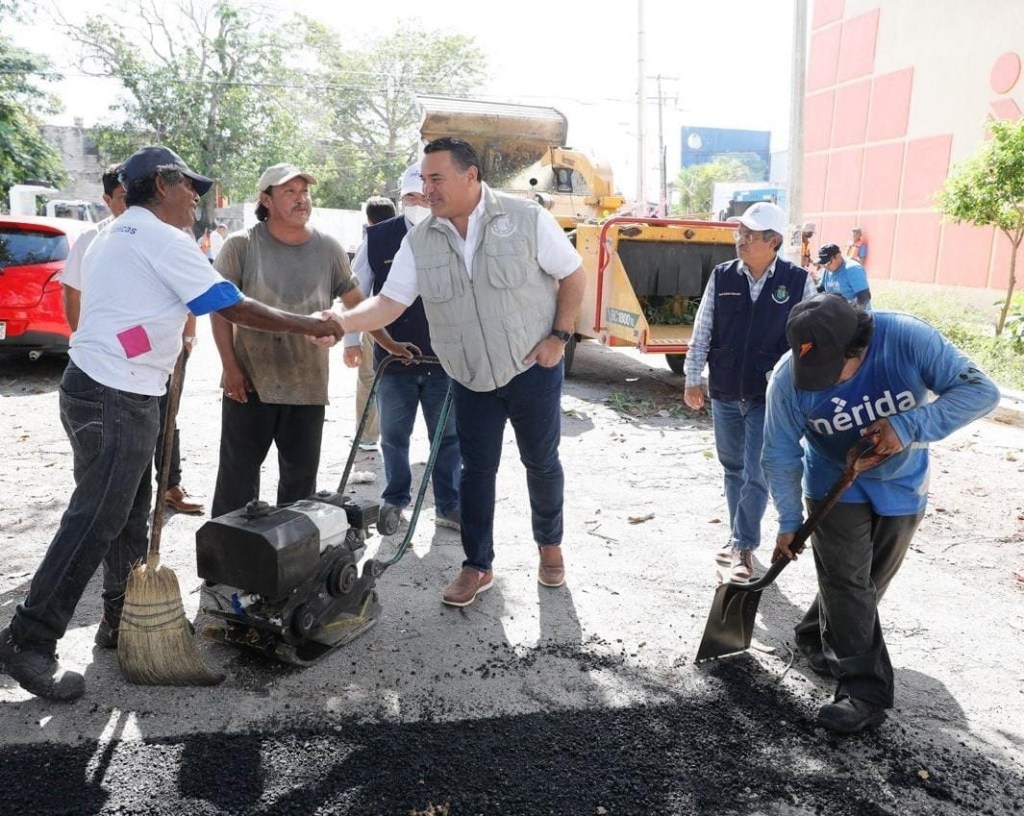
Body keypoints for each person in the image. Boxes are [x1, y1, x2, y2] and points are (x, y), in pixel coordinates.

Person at [0, 145, 344, 702]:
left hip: (103, 387)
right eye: (190, 187)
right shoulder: (161, 238)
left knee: (126, 516)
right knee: (95, 519)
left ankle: (122, 617)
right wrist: (310, 325)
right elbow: (232, 305)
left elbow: (126, 313)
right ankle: (28, 638)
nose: (196, 200)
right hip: (116, 394)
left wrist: (159, 346)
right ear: (161, 185)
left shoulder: (115, 233)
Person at [327, 137, 585, 607]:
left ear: (471, 176)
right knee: (476, 470)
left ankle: (550, 546)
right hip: (469, 375)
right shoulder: (420, 240)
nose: (427, 190)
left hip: (532, 368)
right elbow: (388, 302)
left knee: (541, 463)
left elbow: (572, 273)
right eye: (424, 180)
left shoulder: (525, 219)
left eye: (437, 179)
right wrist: (341, 322)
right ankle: (477, 565)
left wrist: (558, 337)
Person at [762, 293, 1000, 734]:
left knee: (867, 582)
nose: (822, 382)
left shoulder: (908, 339)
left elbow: (982, 392)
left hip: (902, 481)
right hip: (832, 481)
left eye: (833, 370)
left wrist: (908, 425)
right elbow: (779, 452)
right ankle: (864, 692)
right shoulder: (786, 380)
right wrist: (789, 520)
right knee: (847, 580)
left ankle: (816, 632)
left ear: (860, 345)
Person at [209, 164, 408, 522]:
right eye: (289, 192)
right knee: (236, 484)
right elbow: (221, 310)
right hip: (251, 384)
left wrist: (389, 344)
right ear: (266, 200)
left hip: (308, 386)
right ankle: (225, 554)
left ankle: (290, 553)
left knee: (299, 490)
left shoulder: (328, 248)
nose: (301, 199)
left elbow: (357, 304)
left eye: (304, 192)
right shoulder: (242, 245)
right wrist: (229, 367)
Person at [682, 202, 817, 582]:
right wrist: (693, 377)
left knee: (756, 471)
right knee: (733, 468)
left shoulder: (797, 281)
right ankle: (737, 536)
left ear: (773, 242)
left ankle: (743, 546)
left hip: (767, 395)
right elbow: (703, 329)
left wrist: (801, 387)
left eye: (749, 235)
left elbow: (811, 339)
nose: (740, 240)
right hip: (725, 389)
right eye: (739, 233)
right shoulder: (723, 276)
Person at [347, 162, 461, 533]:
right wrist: (351, 340)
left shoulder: (453, 232)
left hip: (444, 360)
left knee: (448, 438)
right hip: (394, 359)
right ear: (401, 199)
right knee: (394, 438)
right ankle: (395, 499)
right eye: (411, 197)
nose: (418, 203)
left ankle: (449, 504)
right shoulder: (379, 237)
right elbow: (358, 292)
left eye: (424, 197)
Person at [350, 195, 398, 452]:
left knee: (370, 377)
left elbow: (356, 291)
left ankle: (367, 436)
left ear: (368, 219)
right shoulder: (410, 235)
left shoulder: (372, 240)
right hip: (414, 321)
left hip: (378, 323)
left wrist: (351, 340)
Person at [62, 163, 127, 331]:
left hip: (145, 337)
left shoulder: (155, 236)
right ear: (107, 200)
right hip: (103, 336)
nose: (131, 204)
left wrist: (187, 338)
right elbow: (72, 292)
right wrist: (80, 337)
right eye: (123, 197)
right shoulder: (90, 238)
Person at [815, 243, 871, 308]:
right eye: (823, 265)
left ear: (838, 256)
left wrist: (851, 312)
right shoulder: (827, 270)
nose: (825, 267)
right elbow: (821, 289)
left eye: (827, 263)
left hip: (855, 312)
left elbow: (864, 297)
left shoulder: (853, 269)